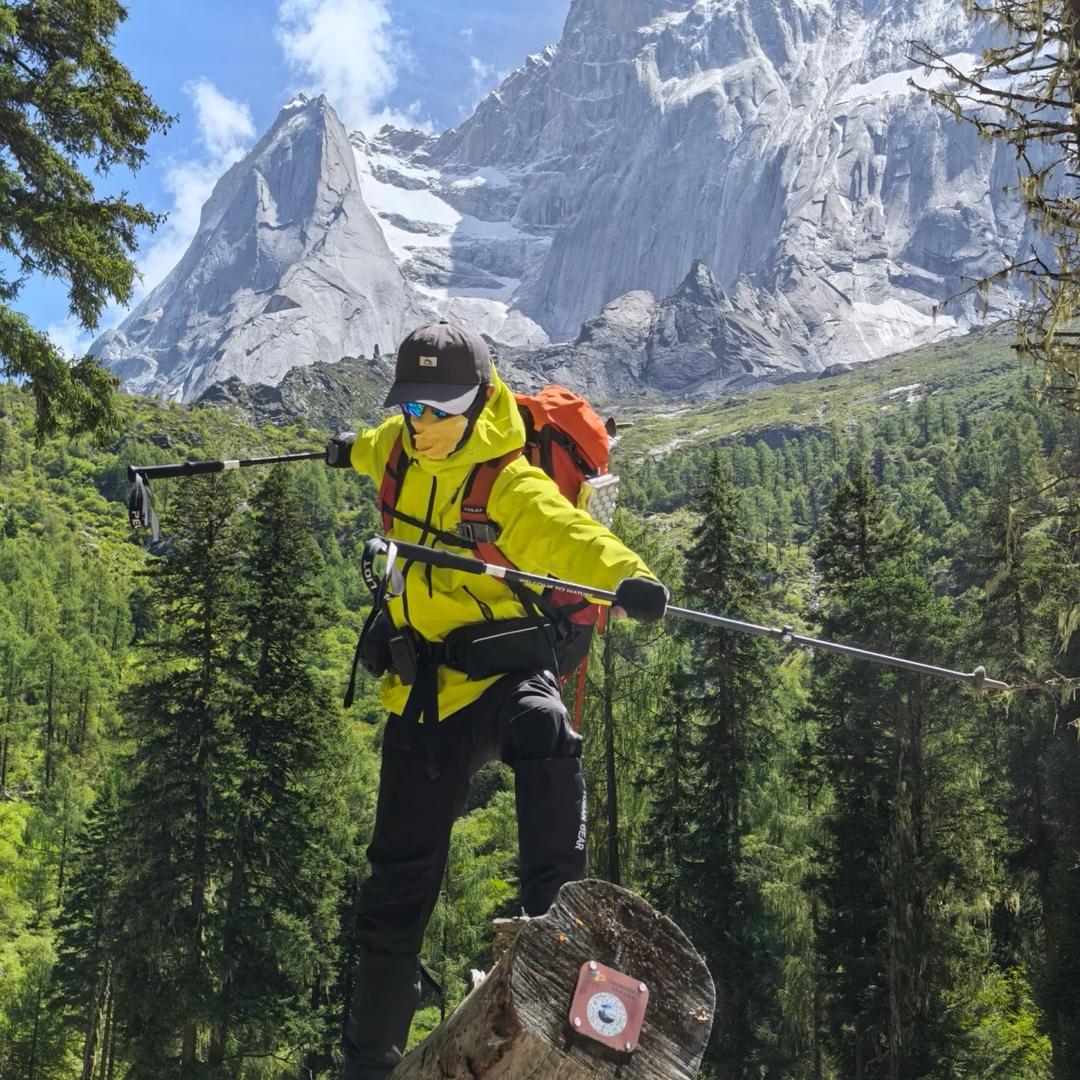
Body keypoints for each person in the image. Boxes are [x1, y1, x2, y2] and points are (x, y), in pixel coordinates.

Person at [325, 319, 668, 1080]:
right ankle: (368, 1062)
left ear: (480, 400)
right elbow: (370, 448)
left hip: (505, 675)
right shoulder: (399, 445)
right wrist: (344, 448)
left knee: (546, 728)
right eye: (413, 407)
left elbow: (568, 538)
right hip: (421, 695)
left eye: (440, 408)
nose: (425, 424)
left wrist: (629, 577)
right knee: (393, 888)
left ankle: (556, 933)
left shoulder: (509, 482)